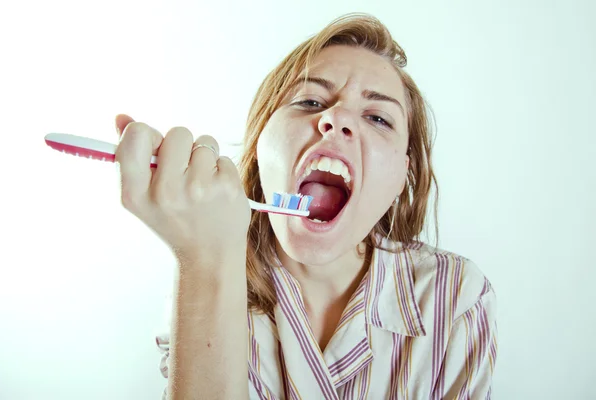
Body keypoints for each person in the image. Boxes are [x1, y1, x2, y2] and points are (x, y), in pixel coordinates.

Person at [114, 13, 497, 400]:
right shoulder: (204, 285)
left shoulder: (456, 296)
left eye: (379, 118)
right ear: (261, 143)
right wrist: (204, 259)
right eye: (310, 100)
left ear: (402, 174)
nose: (336, 119)